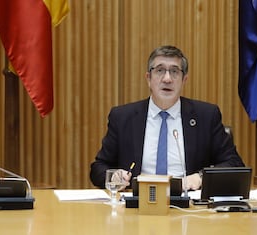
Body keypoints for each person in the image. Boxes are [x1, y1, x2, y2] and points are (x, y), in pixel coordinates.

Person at [90, 45, 245, 191]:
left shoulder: (206, 115)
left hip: (189, 207)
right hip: (138, 205)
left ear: (184, 80)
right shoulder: (123, 117)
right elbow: (98, 167)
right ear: (148, 78)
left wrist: (200, 178)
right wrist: (114, 176)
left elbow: (234, 164)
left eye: (174, 71)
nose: (167, 79)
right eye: (160, 71)